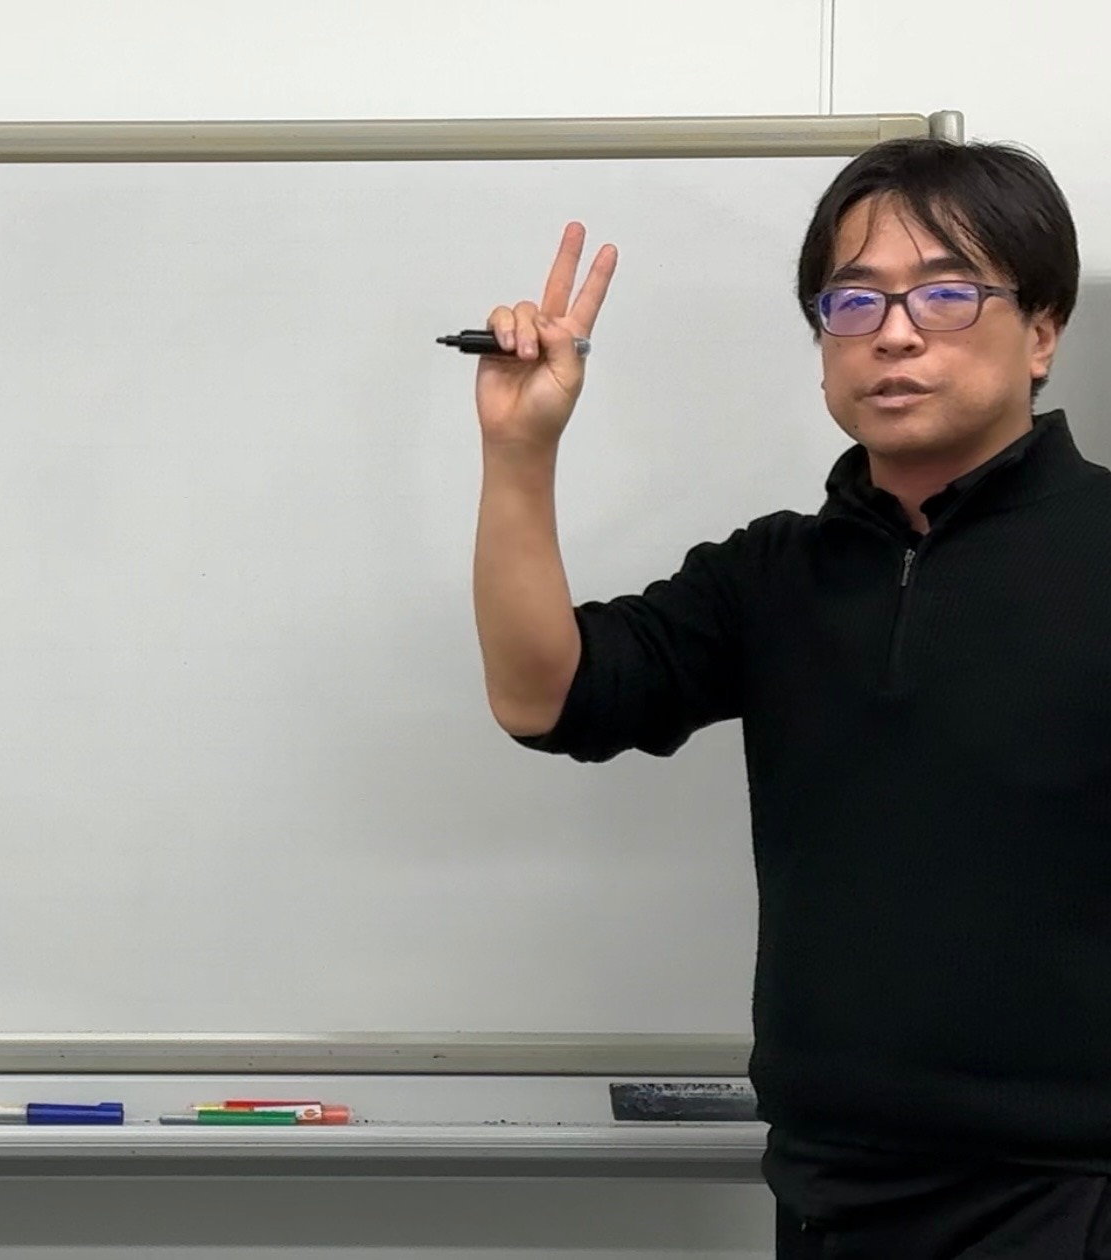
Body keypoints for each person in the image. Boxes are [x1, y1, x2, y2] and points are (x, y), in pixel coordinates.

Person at [471, 136, 1110, 1256]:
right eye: (852, 301)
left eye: (946, 293)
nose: (894, 333)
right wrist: (520, 453)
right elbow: (546, 697)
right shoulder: (773, 575)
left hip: (1074, 1193)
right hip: (829, 1188)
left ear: (1042, 332)